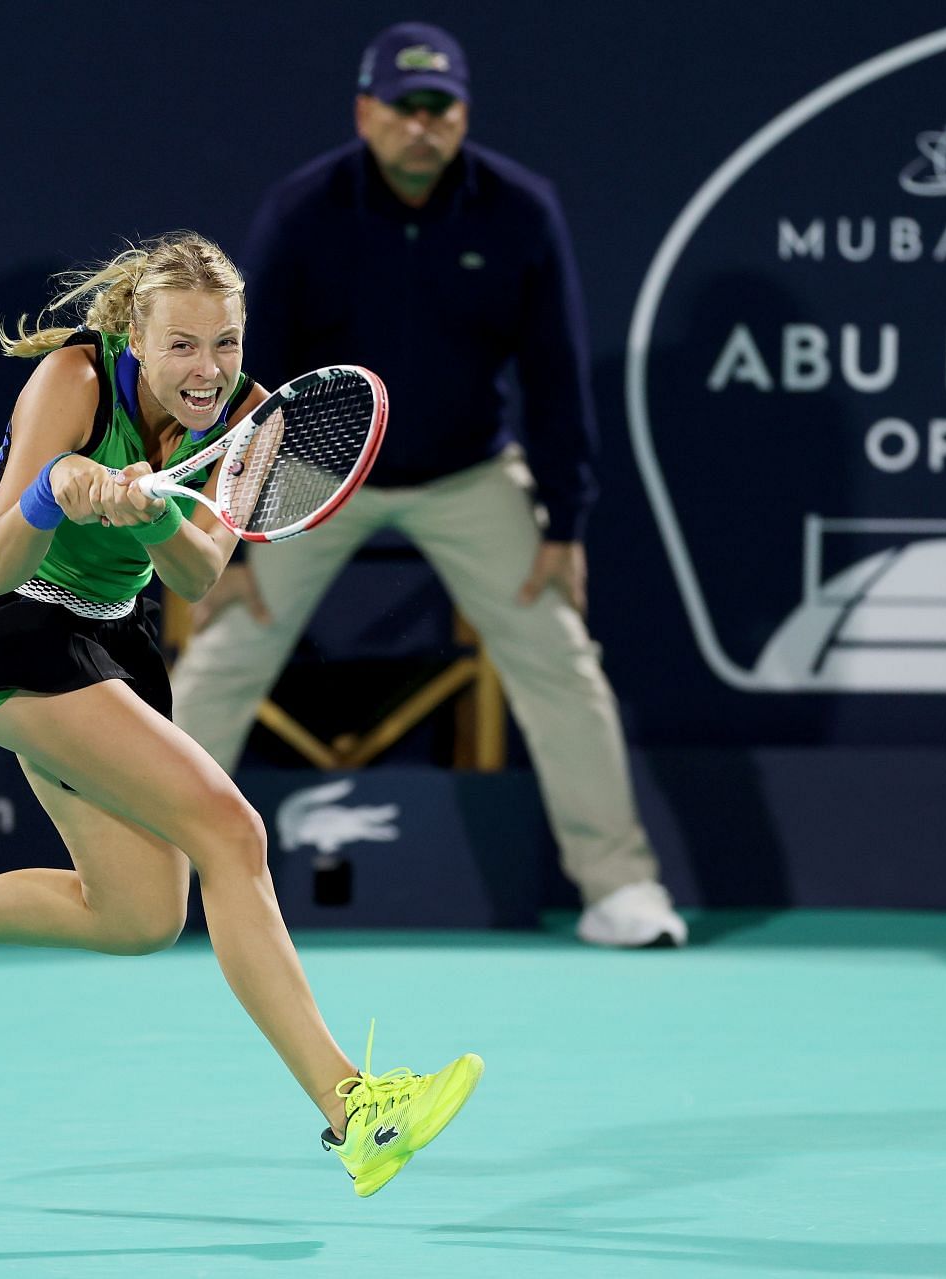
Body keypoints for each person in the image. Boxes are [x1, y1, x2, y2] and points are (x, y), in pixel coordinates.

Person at [0, 233, 480, 1199]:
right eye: (181, 346)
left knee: (138, 914)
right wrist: (58, 487)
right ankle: (355, 1108)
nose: (207, 370)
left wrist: (150, 514)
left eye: (226, 343)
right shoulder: (72, 381)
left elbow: (202, 570)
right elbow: (0, 564)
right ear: (134, 332)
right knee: (232, 830)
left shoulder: (257, 419)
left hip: (103, 633)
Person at [168, 22, 687, 949]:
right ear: (366, 113)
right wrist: (230, 522)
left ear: (462, 115)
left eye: (438, 107)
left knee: (559, 656)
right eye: (401, 107)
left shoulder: (522, 211)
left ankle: (620, 888)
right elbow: (248, 374)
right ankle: (150, 877)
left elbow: (556, 376)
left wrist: (563, 524)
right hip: (312, 468)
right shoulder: (304, 209)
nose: (420, 124)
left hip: (468, 473)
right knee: (224, 649)